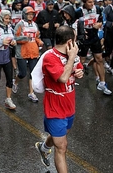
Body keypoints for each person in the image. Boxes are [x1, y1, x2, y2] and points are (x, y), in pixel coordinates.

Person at [34, 25, 84, 172]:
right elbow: (62, 78)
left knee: (60, 136)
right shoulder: (50, 57)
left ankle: (43, 147)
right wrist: (72, 58)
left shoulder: (72, 54)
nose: (77, 42)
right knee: (62, 146)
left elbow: (78, 68)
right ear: (70, 41)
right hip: (55, 107)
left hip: (69, 105)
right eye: (75, 39)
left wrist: (79, 71)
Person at [13, 6, 44, 102]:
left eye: (32, 14)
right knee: (22, 73)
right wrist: (24, 39)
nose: (30, 16)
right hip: (22, 52)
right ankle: (16, 82)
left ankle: (31, 93)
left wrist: (39, 42)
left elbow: (37, 36)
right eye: (28, 14)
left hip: (33, 52)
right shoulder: (20, 24)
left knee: (33, 74)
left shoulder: (35, 25)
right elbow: (15, 38)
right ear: (24, 15)